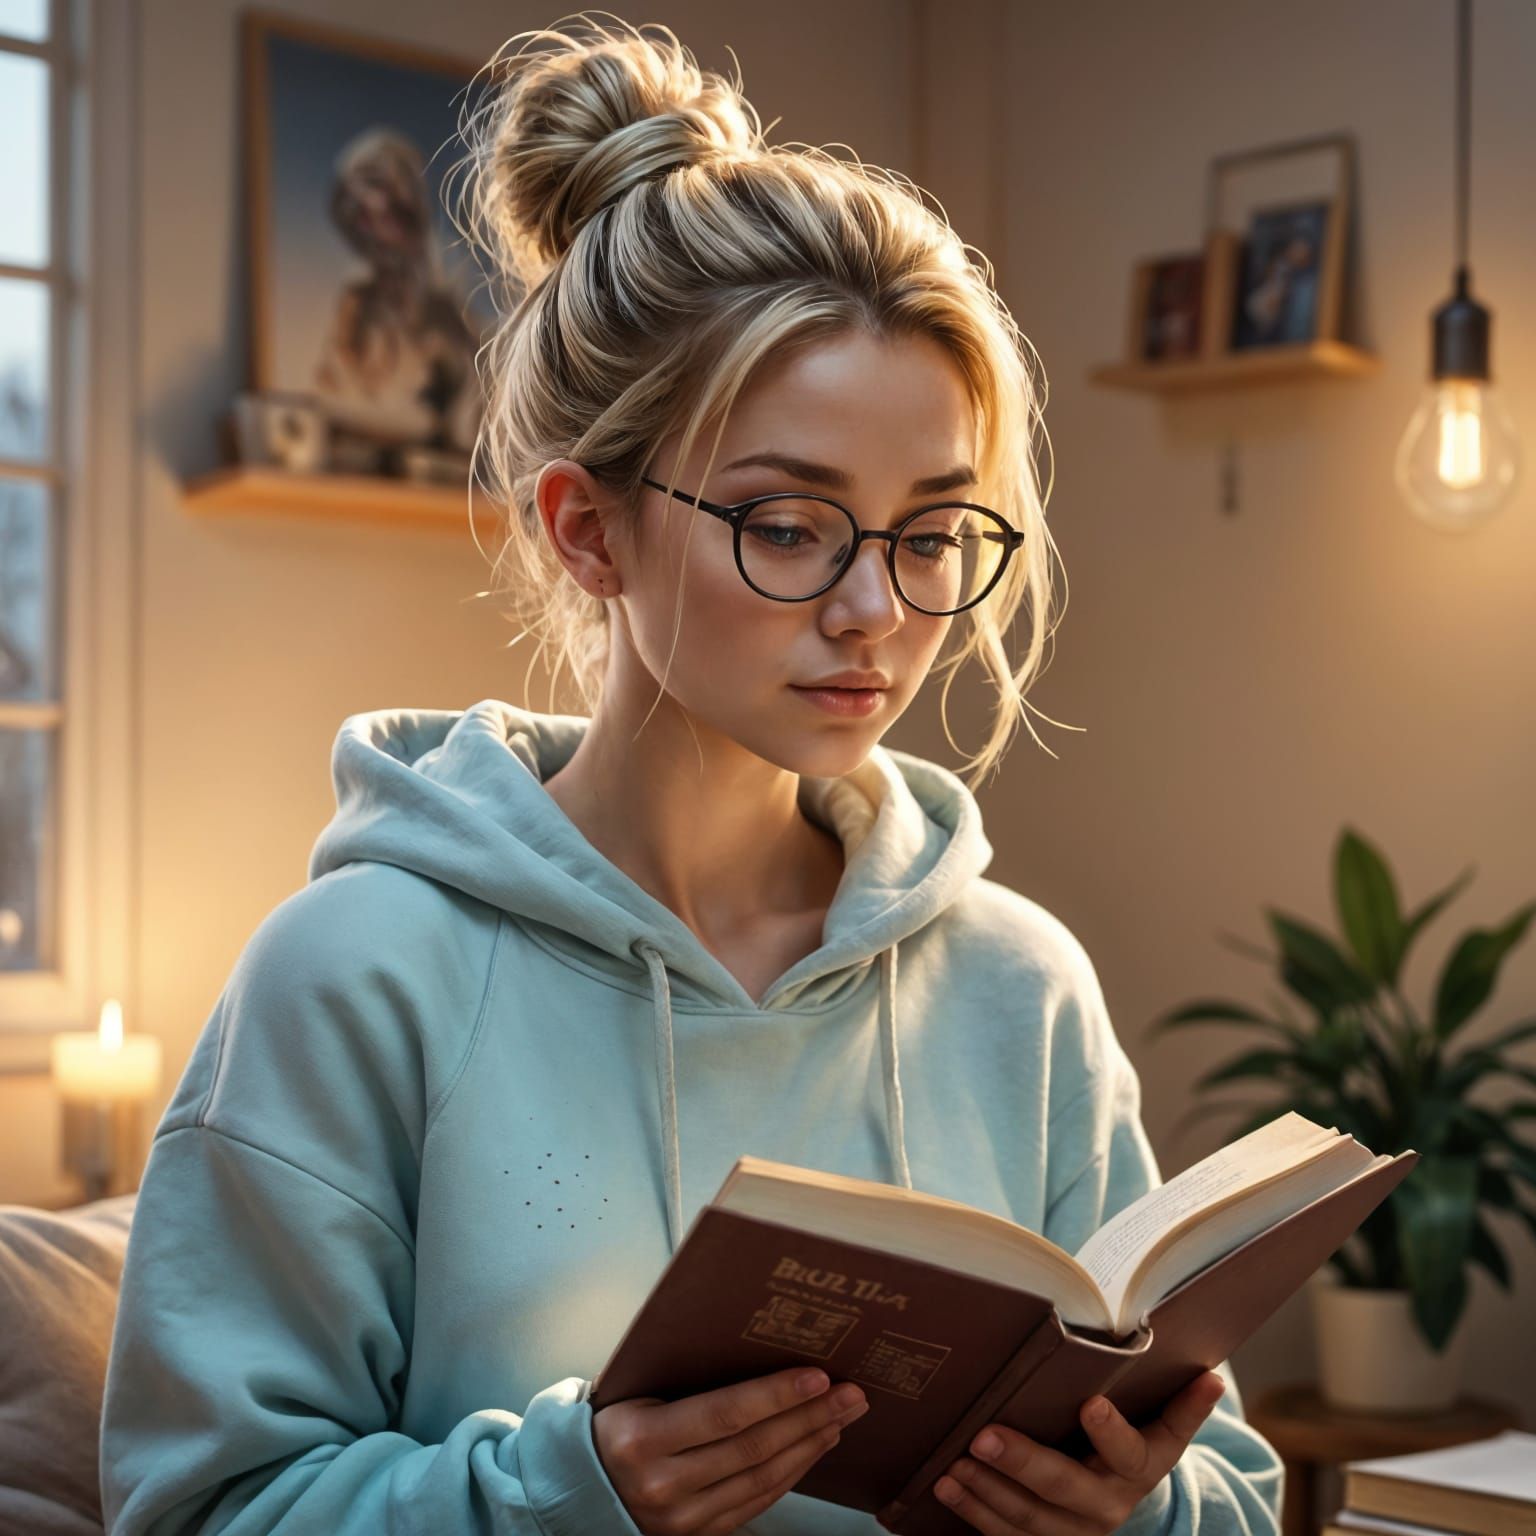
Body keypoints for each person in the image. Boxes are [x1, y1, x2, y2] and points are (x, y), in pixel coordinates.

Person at [99, 14, 1285, 1536]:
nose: (879, 611)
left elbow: (1237, 1489)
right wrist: (565, 1495)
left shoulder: (1023, 990)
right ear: (589, 530)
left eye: (931, 534)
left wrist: (1139, 1512)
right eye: (789, 527)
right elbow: (194, 1513)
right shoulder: (353, 980)